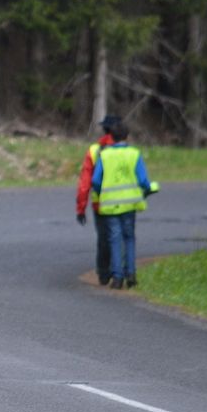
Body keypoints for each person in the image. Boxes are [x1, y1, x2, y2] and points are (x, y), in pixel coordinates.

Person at [91, 122, 158, 290]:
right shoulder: (134, 154)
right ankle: (131, 274)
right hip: (130, 204)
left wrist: (102, 193)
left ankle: (117, 277)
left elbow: (96, 180)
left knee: (114, 239)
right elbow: (143, 180)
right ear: (127, 137)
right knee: (129, 238)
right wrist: (150, 188)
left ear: (111, 137)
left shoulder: (104, 155)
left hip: (110, 204)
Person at [75, 115, 118, 285]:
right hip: (126, 203)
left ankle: (103, 272)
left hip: (100, 203)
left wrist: (80, 208)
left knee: (103, 238)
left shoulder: (95, 150)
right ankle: (120, 271)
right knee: (121, 236)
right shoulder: (128, 150)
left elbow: (85, 182)